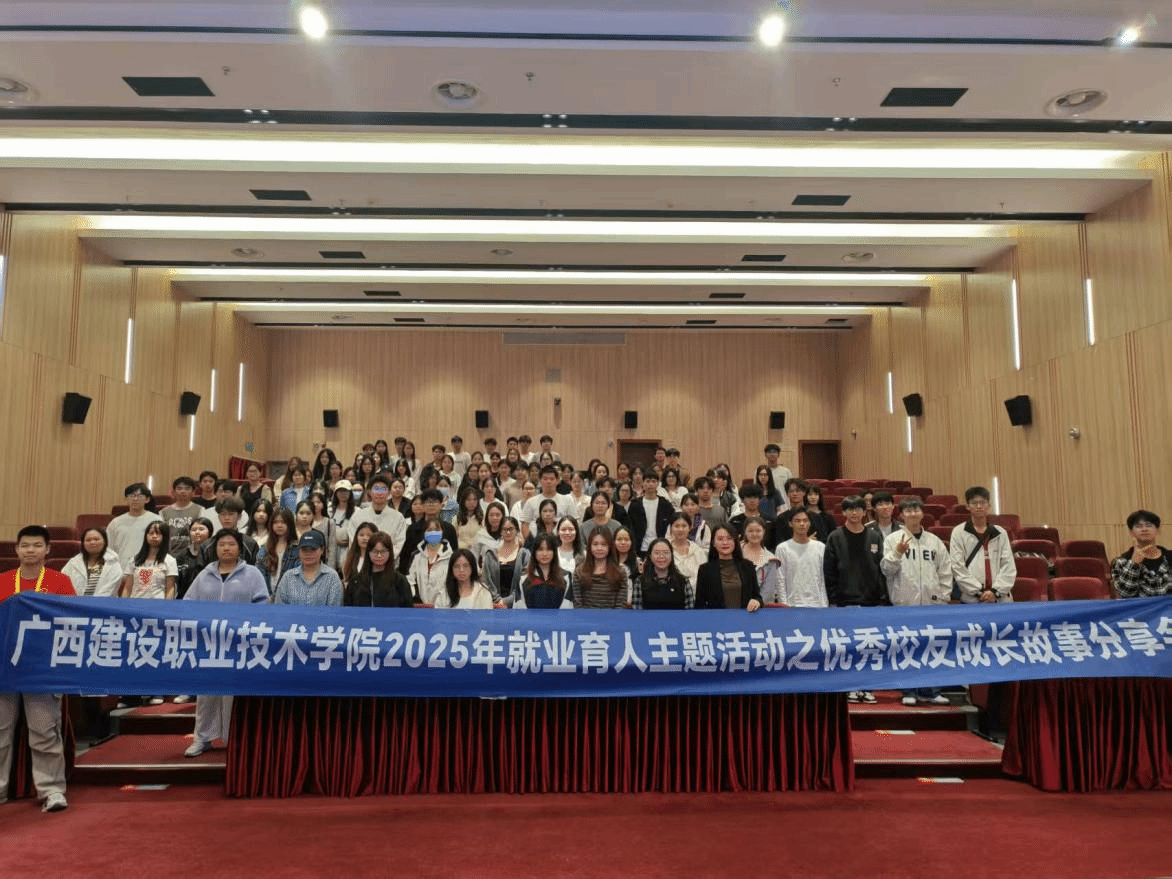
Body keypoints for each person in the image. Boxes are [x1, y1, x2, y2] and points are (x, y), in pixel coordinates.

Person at [0, 525, 75, 812]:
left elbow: (71, 622)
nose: (30, 550)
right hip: (5, 667)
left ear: (47, 550)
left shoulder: (59, 582)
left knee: (44, 731)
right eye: (25, 545)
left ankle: (52, 790)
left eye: (36, 545)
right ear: (16, 549)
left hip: (42, 668)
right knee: (0, 732)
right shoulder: (3, 581)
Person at [182, 529, 269, 757]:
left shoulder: (252, 574)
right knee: (206, 693)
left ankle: (235, 738)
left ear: (240, 548)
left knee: (233, 695)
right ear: (215, 548)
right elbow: (188, 603)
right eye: (221, 544)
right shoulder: (204, 574)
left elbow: (263, 604)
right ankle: (202, 738)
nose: (226, 548)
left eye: (231, 543)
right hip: (209, 643)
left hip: (239, 644)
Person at [881, 498, 952, 706]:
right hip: (905, 604)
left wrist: (943, 597)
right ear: (901, 515)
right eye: (909, 511)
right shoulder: (893, 539)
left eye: (916, 510)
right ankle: (909, 690)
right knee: (907, 648)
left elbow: (945, 571)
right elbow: (886, 570)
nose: (913, 514)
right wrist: (897, 553)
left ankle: (931, 691)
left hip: (932, 605)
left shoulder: (934, 541)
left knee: (931, 648)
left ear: (922, 513)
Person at [950, 486, 1016, 603]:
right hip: (972, 600)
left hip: (1000, 599)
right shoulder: (959, 532)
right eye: (974, 503)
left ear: (988, 505)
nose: (979, 506)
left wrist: (995, 592)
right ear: (968, 506)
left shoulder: (1000, 533)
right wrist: (979, 592)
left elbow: (1008, 566)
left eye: (983, 502)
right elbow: (958, 567)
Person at [694, 526, 763, 611]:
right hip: (716, 618)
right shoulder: (705, 570)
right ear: (713, 543)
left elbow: (757, 597)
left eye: (729, 538)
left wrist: (756, 602)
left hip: (745, 617)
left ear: (735, 542)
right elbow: (699, 604)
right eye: (720, 539)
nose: (725, 542)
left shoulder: (747, 566)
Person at [344, 531, 414, 607]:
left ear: (390, 552)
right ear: (368, 552)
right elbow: (348, 610)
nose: (379, 556)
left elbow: (408, 610)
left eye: (383, 551)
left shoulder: (400, 581)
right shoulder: (356, 582)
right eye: (375, 551)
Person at [1111, 510, 1172, 598]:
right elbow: (1125, 594)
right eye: (1139, 526)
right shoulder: (1121, 561)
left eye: (1149, 525)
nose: (1144, 529)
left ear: (1158, 530)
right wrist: (1134, 564)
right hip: (1140, 607)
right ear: (1131, 532)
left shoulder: (1169, 557)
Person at [347, 474, 408, 560]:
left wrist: (381, 559)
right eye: (376, 489)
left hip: (389, 564)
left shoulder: (398, 518)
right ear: (369, 492)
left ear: (389, 493)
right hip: (362, 563)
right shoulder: (357, 516)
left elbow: (398, 545)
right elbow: (354, 543)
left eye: (383, 489)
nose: (379, 493)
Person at [775, 509, 828, 608]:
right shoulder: (782, 548)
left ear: (809, 523)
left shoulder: (820, 547)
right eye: (797, 521)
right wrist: (783, 605)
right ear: (790, 524)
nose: (802, 524)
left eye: (805, 520)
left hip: (817, 604)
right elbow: (780, 579)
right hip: (792, 605)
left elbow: (822, 578)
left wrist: (824, 604)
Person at [274, 530, 343, 606]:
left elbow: (335, 609)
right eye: (304, 549)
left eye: (313, 549)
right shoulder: (288, 577)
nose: (308, 553)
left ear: (322, 550)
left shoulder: (332, 577)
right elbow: (279, 607)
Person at [399, 489, 458, 574]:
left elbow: (454, 555)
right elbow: (406, 556)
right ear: (423, 505)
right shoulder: (413, 529)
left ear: (441, 504)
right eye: (428, 501)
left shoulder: (449, 529)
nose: (431, 504)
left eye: (434, 501)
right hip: (417, 572)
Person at [120, 520, 177, 603]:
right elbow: (127, 588)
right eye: (151, 533)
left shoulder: (170, 561)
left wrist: (167, 607)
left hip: (157, 606)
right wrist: (123, 605)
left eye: (158, 533)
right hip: (134, 605)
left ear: (165, 536)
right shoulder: (134, 560)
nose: (154, 536)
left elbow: (170, 589)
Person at [107, 482, 163, 565]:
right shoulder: (116, 522)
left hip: (147, 567)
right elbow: (109, 548)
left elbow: (162, 545)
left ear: (147, 499)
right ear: (127, 499)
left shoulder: (156, 520)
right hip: (121, 566)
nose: (135, 499)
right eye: (131, 496)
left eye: (139, 496)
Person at [571, 529, 629, 609]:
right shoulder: (579, 572)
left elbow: (620, 605)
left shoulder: (620, 573)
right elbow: (578, 604)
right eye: (595, 544)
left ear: (610, 547)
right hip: (585, 616)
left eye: (604, 544)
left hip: (613, 616)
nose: (599, 548)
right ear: (589, 547)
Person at [631, 538, 694, 609]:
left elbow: (690, 612)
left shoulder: (683, 581)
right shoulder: (640, 581)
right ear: (650, 556)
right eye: (657, 553)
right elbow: (637, 611)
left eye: (666, 553)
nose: (661, 556)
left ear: (671, 556)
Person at [514, 534, 572, 609]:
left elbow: (567, 606)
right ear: (534, 552)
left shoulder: (566, 576)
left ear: (554, 552)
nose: (544, 554)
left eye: (549, 549)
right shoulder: (523, 577)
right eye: (540, 549)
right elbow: (519, 606)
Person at [408, 517, 457, 605]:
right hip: (421, 607)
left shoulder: (451, 557)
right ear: (424, 533)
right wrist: (414, 598)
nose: (433, 533)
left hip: (445, 607)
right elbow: (410, 580)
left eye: (437, 530)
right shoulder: (416, 556)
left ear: (442, 532)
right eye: (429, 530)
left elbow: (453, 584)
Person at [62, 526, 123, 598]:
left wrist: (89, 603)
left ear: (104, 541)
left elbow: (108, 591)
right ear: (83, 543)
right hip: (75, 602)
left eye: (96, 539)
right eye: (88, 540)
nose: (92, 542)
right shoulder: (73, 562)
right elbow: (64, 584)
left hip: (104, 603)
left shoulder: (113, 562)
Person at [482, 516, 529, 606]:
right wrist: (497, 600)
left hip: (517, 605)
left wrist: (505, 601)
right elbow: (486, 580)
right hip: (492, 604)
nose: (508, 532)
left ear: (517, 530)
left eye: (511, 529)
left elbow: (525, 584)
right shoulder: (490, 554)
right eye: (504, 529)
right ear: (500, 531)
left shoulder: (524, 554)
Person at [256, 508, 299, 599]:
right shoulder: (264, 548)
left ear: (290, 524)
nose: (279, 525)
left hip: (287, 597)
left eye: (283, 522)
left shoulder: (296, 549)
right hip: (266, 596)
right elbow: (259, 574)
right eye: (276, 522)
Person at [629, 470, 674, 556]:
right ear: (643, 483)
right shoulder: (635, 504)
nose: (650, 484)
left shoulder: (665, 504)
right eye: (648, 481)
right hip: (641, 547)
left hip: (661, 546)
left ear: (658, 484)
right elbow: (631, 527)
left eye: (653, 481)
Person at [740, 516, 781, 605]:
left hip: (760, 607)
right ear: (745, 532)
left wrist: (757, 603)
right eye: (750, 531)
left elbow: (768, 592)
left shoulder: (771, 560)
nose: (754, 534)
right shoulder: (735, 552)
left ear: (764, 532)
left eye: (758, 531)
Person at [174, 517, 216, 601]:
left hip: (209, 600)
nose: (197, 532)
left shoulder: (215, 554)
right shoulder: (181, 556)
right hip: (185, 599)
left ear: (210, 532)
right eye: (193, 530)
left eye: (201, 529)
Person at [162, 475, 201, 555]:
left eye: (187, 488)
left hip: (194, 555)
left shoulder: (200, 510)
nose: (183, 491)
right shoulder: (163, 512)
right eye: (179, 488)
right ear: (173, 492)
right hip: (170, 555)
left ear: (193, 492)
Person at [667, 512, 705, 589]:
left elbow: (704, 576)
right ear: (671, 528)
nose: (680, 529)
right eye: (677, 526)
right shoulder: (666, 550)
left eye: (684, 526)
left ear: (690, 528)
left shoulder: (698, 551)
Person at [341, 521, 378, 587]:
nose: (365, 538)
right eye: (361, 535)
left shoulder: (378, 560)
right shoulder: (349, 559)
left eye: (369, 535)